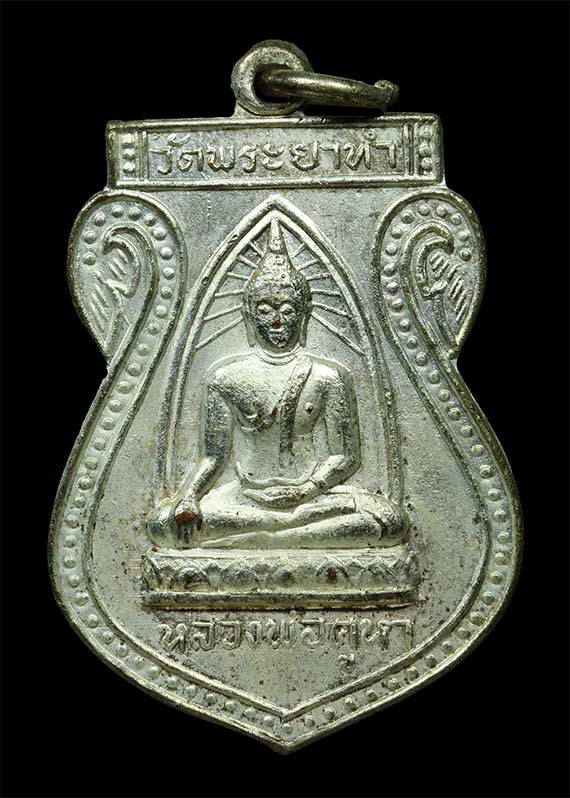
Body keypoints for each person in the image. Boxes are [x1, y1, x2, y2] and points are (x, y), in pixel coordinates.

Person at [148, 219, 407, 550]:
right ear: (248, 314)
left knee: (391, 522)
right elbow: (213, 458)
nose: (276, 320)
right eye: (265, 310)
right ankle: (290, 536)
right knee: (163, 525)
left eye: (287, 309)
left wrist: (306, 490)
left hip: (313, 498)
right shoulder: (227, 378)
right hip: (246, 499)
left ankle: (265, 537)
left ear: (304, 313)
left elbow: (345, 457)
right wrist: (189, 497)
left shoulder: (327, 377)